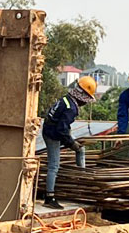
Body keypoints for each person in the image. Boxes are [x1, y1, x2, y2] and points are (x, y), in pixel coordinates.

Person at [42, 75, 97, 209]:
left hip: (49, 130)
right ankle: (49, 197)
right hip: (52, 134)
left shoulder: (67, 99)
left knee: (78, 151)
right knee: (54, 166)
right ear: (83, 97)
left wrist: (71, 140)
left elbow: (62, 125)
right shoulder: (71, 108)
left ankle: (80, 176)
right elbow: (61, 129)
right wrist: (71, 143)